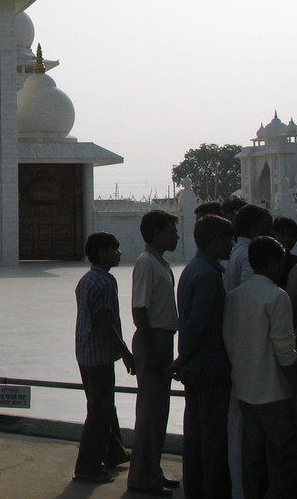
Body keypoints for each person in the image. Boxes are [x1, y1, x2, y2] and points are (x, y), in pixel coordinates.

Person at [222, 236, 297, 499]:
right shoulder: (277, 297)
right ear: (272, 262)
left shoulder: (235, 296)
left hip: (245, 389)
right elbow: (285, 351)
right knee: (285, 456)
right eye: (280, 260)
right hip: (274, 391)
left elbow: (229, 341)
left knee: (252, 457)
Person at [172, 214, 235, 499]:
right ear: (215, 241)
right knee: (212, 437)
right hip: (209, 367)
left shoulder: (192, 269)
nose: (232, 246)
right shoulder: (209, 275)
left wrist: (183, 358)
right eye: (227, 240)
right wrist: (184, 357)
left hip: (196, 366)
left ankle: (195, 489)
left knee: (196, 435)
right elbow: (198, 324)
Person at [72, 232, 135, 485]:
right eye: (114, 249)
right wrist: (126, 353)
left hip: (86, 352)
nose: (119, 254)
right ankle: (88, 467)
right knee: (100, 411)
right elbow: (105, 322)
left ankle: (113, 453)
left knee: (104, 405)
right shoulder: (104, 282)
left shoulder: (87, 279)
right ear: (101, 252)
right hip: (98, 355)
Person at [128, 210, 181, 496]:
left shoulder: (160, 263)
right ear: (156, 233)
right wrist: (151, 349)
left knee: (159, 411)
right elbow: (140, 310)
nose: (176, 235)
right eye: (171, 230)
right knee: (149, 412)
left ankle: (153, 470)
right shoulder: (147, 263)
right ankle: (141, 477)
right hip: (153, 340)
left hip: (160, 339)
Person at [271, 216, 297, 288]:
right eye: (282, 234)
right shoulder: (263, 261)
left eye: (291, 236)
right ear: (273, 235)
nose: (287, 239)